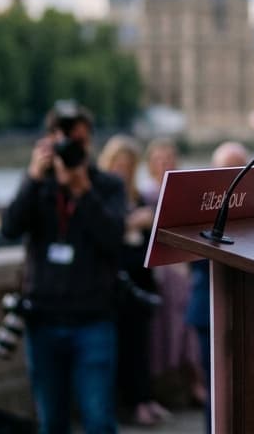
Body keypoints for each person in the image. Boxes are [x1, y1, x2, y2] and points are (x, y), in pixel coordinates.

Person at [1, 101, 127, 434]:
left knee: (99, 419)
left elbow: (114, 239)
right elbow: (10, 228)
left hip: (94, 320)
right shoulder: (38, 185)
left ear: (90, 143)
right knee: (51, 422)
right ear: (50, 141)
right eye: (66, 140)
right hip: (43, 319)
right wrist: (33, 177)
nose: (74, 148)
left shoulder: (107, 186)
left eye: (80, 141)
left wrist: (83, 191)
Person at [98, 134, 168, 427]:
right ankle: (124, 404)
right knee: (117, 349)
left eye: (128, 165)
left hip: (140, 280)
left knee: (142, 346)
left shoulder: (137, 196)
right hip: (114, 287)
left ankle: (143, 398)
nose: (123, 171)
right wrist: (129, 224)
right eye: (119, 164)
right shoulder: (101, 197)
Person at [188, 140, 249, 433]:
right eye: (227, 168)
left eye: (240, 167)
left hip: (250, 307)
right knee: (216, 388)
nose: (234, 173)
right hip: (207, 305)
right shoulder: (199, 205)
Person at [145, 139, 203, 407]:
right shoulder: (145, 195)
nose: (164, 164)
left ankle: (194, 381)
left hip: (182, 270)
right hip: (159, 273)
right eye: (159, 160)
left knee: (187, 328)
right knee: (164, 330)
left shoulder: (187, 193)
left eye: (169, 158)